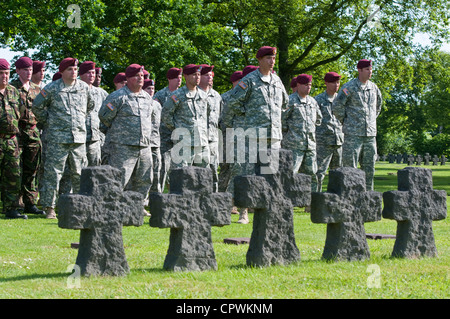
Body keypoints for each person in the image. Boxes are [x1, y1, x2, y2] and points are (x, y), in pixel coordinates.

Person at [223, 46, 289, 224]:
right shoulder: (249, 80)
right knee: (248, 173)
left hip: (273, 135)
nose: (272, 61)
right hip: (253, 134)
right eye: (268, 57)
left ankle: (268, 211)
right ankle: (243, 212)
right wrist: (248, 115)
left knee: (271, 174)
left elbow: (285, 103)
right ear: (259, 60)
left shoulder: (277, 80)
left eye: (273, 57)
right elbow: (232, 101)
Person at [32, 57, 95, 219]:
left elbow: (90, 107)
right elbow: (37, 106)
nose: (73, 72)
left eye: (75, 69)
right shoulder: (52, 88)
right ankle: (49, 207)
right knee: (53, 174)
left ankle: (80, 206)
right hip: (57, 139)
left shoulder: (84, 88)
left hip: (78, 139)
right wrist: (50, 122)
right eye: (69, 69)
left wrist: (78, 123)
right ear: (62, 72)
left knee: (79, 174)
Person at [99, 64, 154, 208]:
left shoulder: (147, 97)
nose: (140, 79)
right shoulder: (118, 96)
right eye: (136, 76)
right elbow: (104, 117)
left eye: (142, 76)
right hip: (122, 147)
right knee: (118, 179)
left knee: (144, 179)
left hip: (144, 147)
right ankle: (111, 207)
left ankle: (136, 208)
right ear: (128, 78)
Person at [332, 59, 382, 191]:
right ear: (359, 70)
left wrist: (370, 122)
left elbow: (378, 107)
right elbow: (337, 106)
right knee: (350, 168)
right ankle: (350, 197)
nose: (370, 72)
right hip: (353, 134)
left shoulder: (374, 88)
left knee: (369, 168)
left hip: (370, 135)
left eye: (371, 69)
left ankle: (368, 196)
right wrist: (347, 121)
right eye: (367, 69)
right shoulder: (349, 87)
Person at [10, 56, 45, 216]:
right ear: (17, 71)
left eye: (30, 69)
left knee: (32, 169)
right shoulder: (12, 88)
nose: (28, 72)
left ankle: (30, 203)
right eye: (25, 69)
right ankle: (15, 204)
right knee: (16, 169)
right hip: (17, 133)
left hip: (33, 132)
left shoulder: (37, 90)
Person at [161, 64, 210, 169]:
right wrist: (177, 129)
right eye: (193, 75)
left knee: (203, 177)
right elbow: (165, 115)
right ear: (185, 77)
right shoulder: (177, 95)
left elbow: (207, 116)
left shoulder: (203, 96)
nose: (197, 77)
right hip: (183, 144)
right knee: (181, 177)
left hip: (201, 143)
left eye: (198, 74)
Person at [282, 74, 322, 193]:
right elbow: (281, 120)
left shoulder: (312, 101)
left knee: (312, 174)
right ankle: (287, 201)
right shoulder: (290, 101)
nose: (308, 87)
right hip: (294, 145)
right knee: (291, 174)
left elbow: (319, 119)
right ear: (298, 85)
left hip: (310, 145)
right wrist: (290, 133)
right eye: (305, 85)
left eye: (310, 85)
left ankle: (311, 202)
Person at [0, 58, 27, 219]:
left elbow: (22, 116)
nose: (4, 76)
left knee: (13, 176)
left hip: (11, 140)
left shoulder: (14, 91)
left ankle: (11, 209)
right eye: (1, 73)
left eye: (6, 73)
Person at [153, 67, 182, 192]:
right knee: (163, 167)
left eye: (181, 78)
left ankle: (176, 195)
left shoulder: (183, 94)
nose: (179, 80)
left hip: (180, 137)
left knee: (178, 168)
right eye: (177, 78)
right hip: (164, 137)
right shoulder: (160, 95)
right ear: (170, 79)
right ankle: (159, 194)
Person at [314, 72, 344, 191]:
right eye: (333, 82)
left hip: (339, 141)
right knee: (319, 172)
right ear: (326, 83)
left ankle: (335, 199)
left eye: (338, 82)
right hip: (323, 141)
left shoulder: (342, 99)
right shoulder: (318, 100)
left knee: (338, 172)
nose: (336, 85)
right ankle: (315, 199)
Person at [218, 70, 243, 196]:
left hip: (241, 137)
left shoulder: (245, 96)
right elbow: (220, 119)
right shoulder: (224, 97)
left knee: (238, 167)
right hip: (226, 136)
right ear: (234, 82)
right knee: (226, 167)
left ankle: (236, 198)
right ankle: (222, 196)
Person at [79, 61, 108, 166]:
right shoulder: (75, 90)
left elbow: (108, 113)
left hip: (95, 139)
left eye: (93, 73)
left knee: (94, 171)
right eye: (88, 73)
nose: (91, 75)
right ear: (81, 75)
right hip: (79, 139)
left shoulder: (101, 93)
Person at [198, 64, 222, 192]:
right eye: (206, 75)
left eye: (211, 75)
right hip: (196, 139)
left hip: (212, 139)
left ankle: (213, 197)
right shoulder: (193, 93)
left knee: (213, 168)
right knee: (198, 170)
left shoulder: (216, 96)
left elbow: (221, 117)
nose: (210, 77)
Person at [143, 78, 163, 194]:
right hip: (143, 143)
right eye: (148, 88)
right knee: (145, 173)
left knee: (157, 171)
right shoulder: (141, 102)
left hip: (155, 142)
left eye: (152, 88)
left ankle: (156, 197)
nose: (151, 91)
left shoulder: (157, 105)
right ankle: (144, 199)